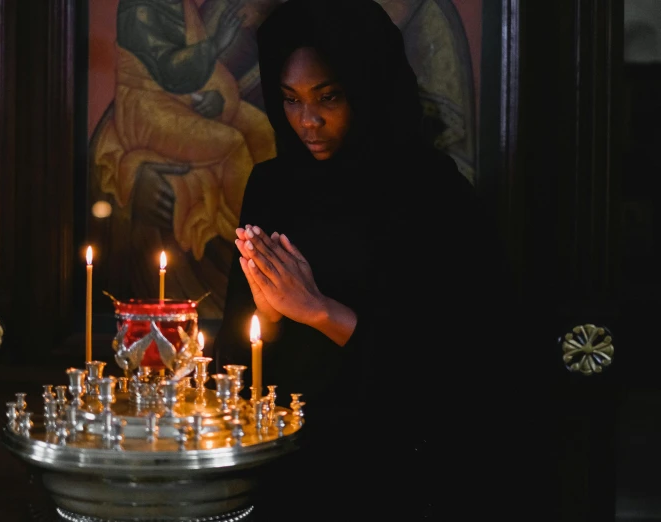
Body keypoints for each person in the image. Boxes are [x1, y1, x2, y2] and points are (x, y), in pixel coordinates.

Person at [211, 0, 557, 520]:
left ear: (368, 88)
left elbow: (467, 361)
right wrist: (271, 313)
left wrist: (320, 310)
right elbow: (242, 356)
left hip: (402, 465)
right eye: (290, 99)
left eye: (328, 97)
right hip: (289, 463)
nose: (308, 121)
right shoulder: (274, 188)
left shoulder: (434, 194)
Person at [91, 0, 277, 318]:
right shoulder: (150, 9)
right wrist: (134, 181)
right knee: (233, 145)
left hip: (188, 102)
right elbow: (163, 76)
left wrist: (217, 96)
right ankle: (247, 243)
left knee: (260, 131)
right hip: (153, 113)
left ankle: (263, 243)